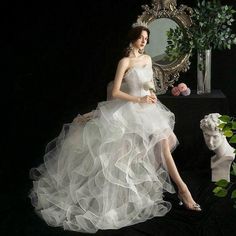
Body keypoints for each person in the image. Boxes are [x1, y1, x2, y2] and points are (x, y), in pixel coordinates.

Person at [29, 22, 201, 234]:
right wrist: (139, 99)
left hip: (149, 109)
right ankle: (182, 191)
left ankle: (182, 190)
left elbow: (150, 84)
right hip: (131, 107)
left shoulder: (147, 59)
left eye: (147, 39)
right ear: (133, 38)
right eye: (141, 38)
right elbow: (117, 92)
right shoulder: (124, 62)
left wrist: (152, 94)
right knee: (126, 153)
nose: (144, 42)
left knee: (163, 143)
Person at [200, 113, 235, 182]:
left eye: (215, 137)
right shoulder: (215, 158)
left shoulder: (229, 156)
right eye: (207, 135)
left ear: (224, 134)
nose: (210, 142)